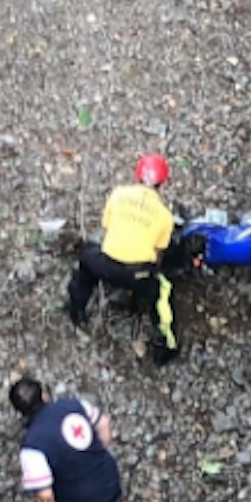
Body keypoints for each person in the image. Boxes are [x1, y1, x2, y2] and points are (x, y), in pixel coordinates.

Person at [67, 154, 181, 366]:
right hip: (136, 274)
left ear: (137, 176)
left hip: (104, 265)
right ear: (163, 184)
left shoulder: (118, 195)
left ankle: (76, 309)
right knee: (163, 293)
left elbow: (107, 226)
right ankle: (167, 346)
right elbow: (160, 251)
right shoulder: (165, 216)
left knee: (86, 260)